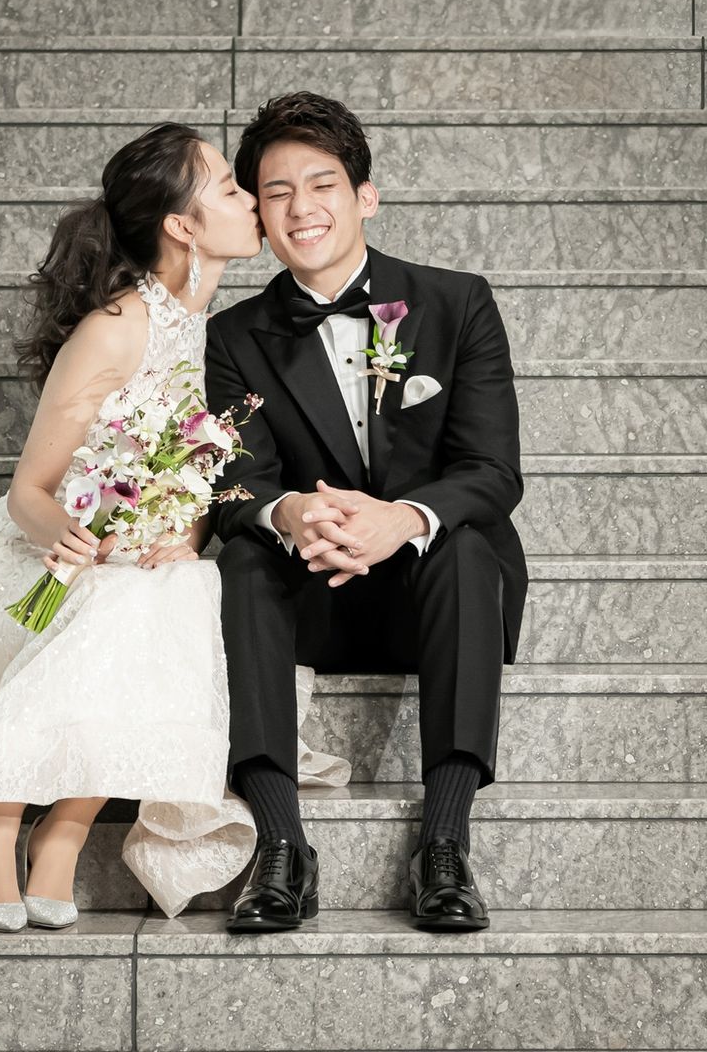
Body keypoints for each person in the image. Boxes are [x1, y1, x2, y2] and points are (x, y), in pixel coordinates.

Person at [0, 123, 348, 932]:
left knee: (183, 586)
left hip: (126, 560)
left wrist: (185, 534)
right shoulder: (117, 325)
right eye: (231, 188)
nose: (253, 199)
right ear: (182, 225)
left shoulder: (220, 338)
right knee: (128, 601)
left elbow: (196, 480)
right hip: (28, 553)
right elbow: (29, 491)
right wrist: (70, 538)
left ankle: (64, 832)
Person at [206, 92, 528, 933]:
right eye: (277, 192)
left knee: (466, 544)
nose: (301, 209)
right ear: (259, 215)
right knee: (241, 555)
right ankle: (281, 845)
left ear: (365, 196)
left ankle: (445, 844)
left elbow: (493, 471)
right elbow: (236, 483)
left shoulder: (457, 302)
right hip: (312, 594)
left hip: (434, 599)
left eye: (322, 185)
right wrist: (289, 515)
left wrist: (402, 520)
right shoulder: (233, 336)